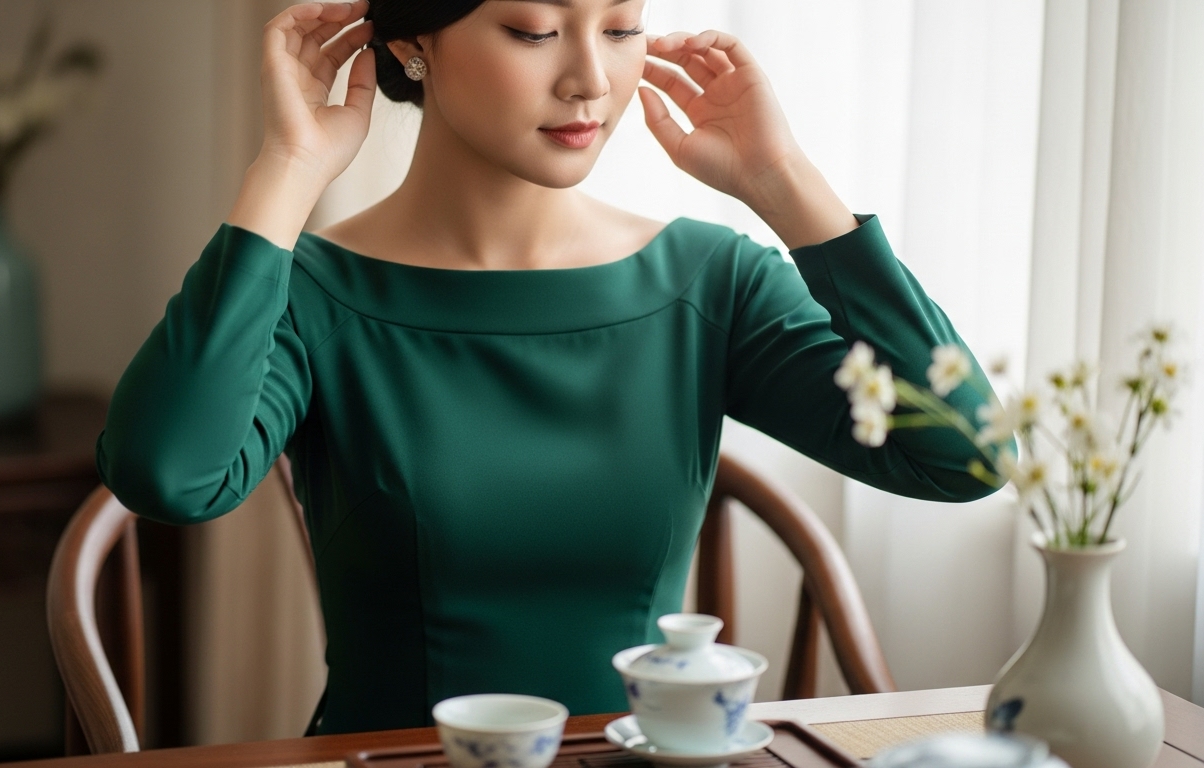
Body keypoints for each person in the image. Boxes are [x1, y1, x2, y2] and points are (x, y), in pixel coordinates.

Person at [98, 0, 1003, 735]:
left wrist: (784, 179)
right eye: (536, 31)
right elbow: (170, 476)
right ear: (413, 42)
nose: (590, 80)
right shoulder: (315, 296)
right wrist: (287, 171)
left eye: (620, 28)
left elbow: (960, 456)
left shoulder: (708, 282)